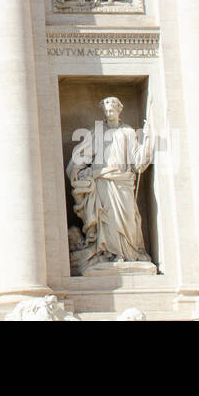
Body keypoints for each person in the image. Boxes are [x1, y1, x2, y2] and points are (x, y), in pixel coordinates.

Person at [67, 96, 155, 270]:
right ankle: (109, 254)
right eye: (106, 110)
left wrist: (149, 140)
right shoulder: (97, 131)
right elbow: (81, 158)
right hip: (103, 182)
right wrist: (80, 171)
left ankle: (130, 253)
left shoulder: (128, 132)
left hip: (123, 182)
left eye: (112, 109)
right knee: (107, 219)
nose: (109, 112)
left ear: (119, 110)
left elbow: (138, 162)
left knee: (129, 219)